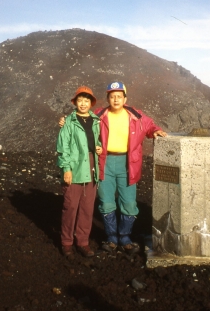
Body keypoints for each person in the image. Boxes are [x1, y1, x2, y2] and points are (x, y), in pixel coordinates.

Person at [60, 81, 167, 255]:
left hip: (128, 163)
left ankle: (124, 237)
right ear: (108, 98)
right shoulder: (99, 115)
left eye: (119, 96)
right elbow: (81, 117)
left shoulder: (136, 116)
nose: (116, 99)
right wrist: (65, 119)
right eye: (112, 96)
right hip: (104, 162)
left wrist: (156, 130)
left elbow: (149, 126)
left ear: (125, 98)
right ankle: (111, 237)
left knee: (129, 203)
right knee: (106, 202)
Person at [56, 86, 103, 257]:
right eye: (80, 100)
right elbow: (63, 148)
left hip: (91, 167)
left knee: (87, 208)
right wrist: (66, 169)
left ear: (91, 103)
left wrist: (99, 147)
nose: (83, 104)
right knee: (70, 207)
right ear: (75, 102)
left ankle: (83, 242)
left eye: (86, 100)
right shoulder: (69, 121)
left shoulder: (96, 120)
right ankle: (66, 242)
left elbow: (98, 140)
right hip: (74, 167)